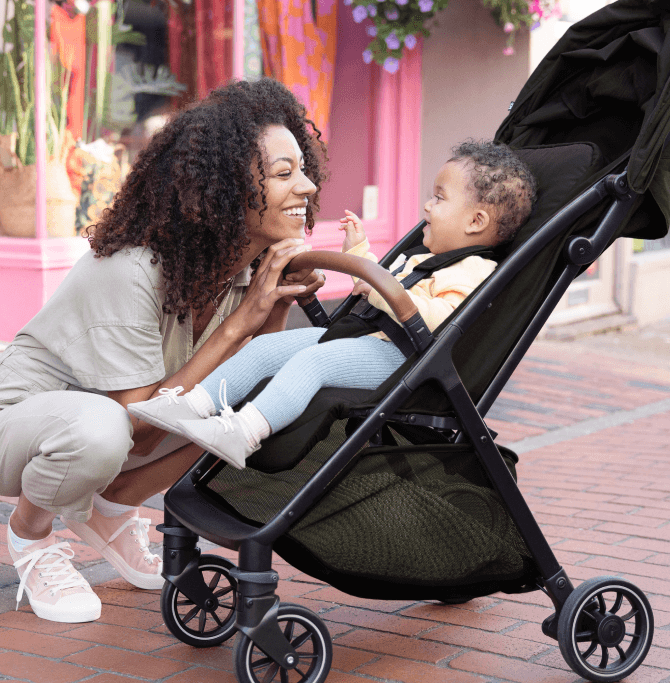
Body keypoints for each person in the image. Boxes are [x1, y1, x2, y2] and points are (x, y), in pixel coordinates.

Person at [0, 77, 327, 623]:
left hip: (104, 432)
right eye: (284, 174)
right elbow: (141, 424)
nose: (308, 186)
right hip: (18, 424)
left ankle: (111, 507)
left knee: (257, 416)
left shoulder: (241, 270)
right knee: (101, 428)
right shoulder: (130, 270)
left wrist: (276, 305)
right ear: (225, 188)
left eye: (305, 169)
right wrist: (237, 326)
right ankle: (30, 536)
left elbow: (250, 385)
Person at [129, 141, 536, 468]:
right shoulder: (424, 260)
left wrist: (383, 287)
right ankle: (191, 406)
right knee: (267, 347)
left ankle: (244, 432)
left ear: (476, 222)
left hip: (403, 357)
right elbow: (375, 286)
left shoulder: (473, 273)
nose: (427, 206)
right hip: (370, 339)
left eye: (439, 198)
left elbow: (434, 320)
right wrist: (359, 252)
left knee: (312, 364)